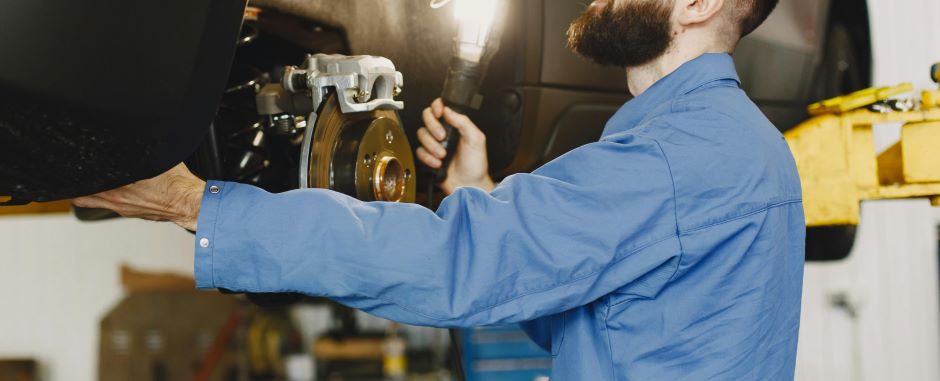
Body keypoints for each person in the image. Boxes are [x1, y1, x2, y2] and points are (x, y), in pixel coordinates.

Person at [74, 0, 804, 379]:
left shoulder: (682, 159)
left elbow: (456, 263)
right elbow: (591, 316)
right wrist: (481, 187)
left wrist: (194, 205)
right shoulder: (727, 147)